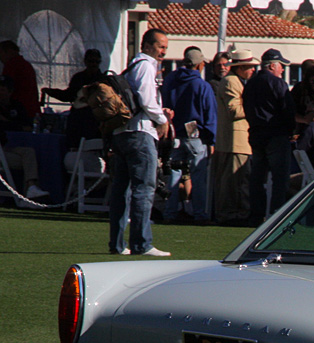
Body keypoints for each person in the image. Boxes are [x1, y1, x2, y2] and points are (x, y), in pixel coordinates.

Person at [106, 29, 171, 256]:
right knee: (144, 189)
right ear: (147, 45)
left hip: (122, 133)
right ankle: (141, 244)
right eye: (160, 46)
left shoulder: (133, 65)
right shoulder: (145, 65)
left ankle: (117, 243)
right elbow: (146, 99)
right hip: (140, 133)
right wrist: (162, 119)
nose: (163, 51)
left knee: (121, 190)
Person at [162, 47, 217, 224]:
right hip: (194, 134)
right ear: (200, 64)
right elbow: (210, 114)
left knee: (173, 174)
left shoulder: (171, 80)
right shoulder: (202, 85)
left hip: (173, 132)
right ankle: (200, 214)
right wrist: (211, 139)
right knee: (198, 176)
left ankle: (169, 213)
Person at [243, 48, 296, 224]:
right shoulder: (278, 84)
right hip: (276, 134)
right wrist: (291, 130)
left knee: (257, 177)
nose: (282, 70)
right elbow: (287, 110)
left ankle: (256, 215)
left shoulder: (250, 84)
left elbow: (247, 108)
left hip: (257, 134)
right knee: (280, 179)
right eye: (281, 66)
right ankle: (276, 215)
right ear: (273, 66)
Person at [213, 47, 258, 225]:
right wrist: (254, 106)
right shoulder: (232, 82)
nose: (253, 70)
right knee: (236, 182)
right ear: (240, 68)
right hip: (235, 141)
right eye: (249, 67)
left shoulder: (234, 81)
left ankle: (232, 213)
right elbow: (233, 109)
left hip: (235, 141)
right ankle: (234, 214)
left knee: (233, 181)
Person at [0, 75, 48, 205]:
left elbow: (26, 125)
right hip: (1, 151)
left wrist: (8, 122)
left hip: (7, 149)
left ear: (10, 91)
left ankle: (30, 190)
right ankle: (29, 193)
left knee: (29, 153)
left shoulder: (16, 106)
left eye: (3, 89)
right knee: (26, 159)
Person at [41, 48, 102, 146]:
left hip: (94, 122)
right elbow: (68, 95)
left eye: (97, 62)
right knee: (73, 148)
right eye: (91, 61)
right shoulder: (78, 78)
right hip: (78, 121)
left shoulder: (103, 80)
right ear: (85, 61)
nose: (94, 64)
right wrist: (51, 92)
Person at [0, 40, 40, 118]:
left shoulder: (12, 65)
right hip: (31, 109)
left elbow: (5, 87)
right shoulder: (26, 65)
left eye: (1, 53)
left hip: (19, 110)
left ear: (9, 51)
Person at [291, 61, 314, 134]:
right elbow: (290, 112)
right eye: (313, 83)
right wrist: (305, 120)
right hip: (302, 129)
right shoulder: (300, 90)